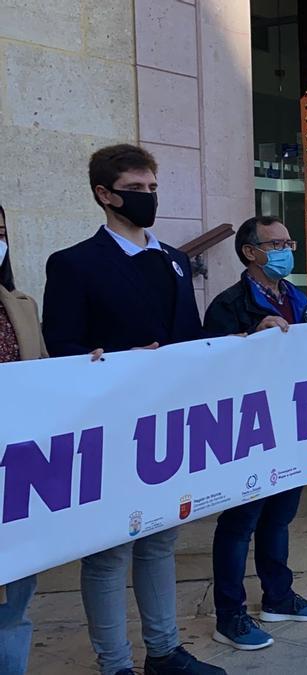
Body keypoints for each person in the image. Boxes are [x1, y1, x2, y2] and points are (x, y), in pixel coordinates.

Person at [40, 144, 223, 674]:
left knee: (160, 540)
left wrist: (246, 338)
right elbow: (64, 350)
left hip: (167, 424)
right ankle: (115, 664)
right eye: (136, 189)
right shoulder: (74, 264)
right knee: (108, 552)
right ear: (105, 194)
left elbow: (190, 338)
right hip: (109, 428)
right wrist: (114, 362)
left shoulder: (173, 261)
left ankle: (163, 652)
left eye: (152, 188)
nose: (148, 198)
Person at [203, 217, 307, 650]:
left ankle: (278, 596)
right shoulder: (229, 304)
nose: (285, 250)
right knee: (241, 522)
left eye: (288, 241)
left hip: (292, 423)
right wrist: (247, 338)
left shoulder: (297, 297)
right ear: (249, 252)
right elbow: (210, 364)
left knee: (280, 517)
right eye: (275, 243)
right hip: (248, 430)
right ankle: (230, 615)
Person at [0, 204, 69, 675]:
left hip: (15, 480)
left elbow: (44, 376)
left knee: (13, 609)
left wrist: (84, 369)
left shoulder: (20, 305)